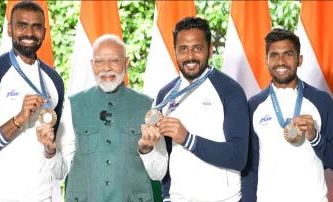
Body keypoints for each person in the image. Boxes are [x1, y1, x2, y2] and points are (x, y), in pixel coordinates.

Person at [138, 17, 249, 202]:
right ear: (174, 52)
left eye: (197, 48)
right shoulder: (165, 95)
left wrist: (188, 139)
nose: (190, 56)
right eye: (183, 49)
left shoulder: (230, 90)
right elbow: (159, 173)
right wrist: (147, 150)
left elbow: (238, 157)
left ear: (210, 50)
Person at [0, 1, 64, 201]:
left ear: (44, 31)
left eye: (36, 26)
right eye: (22, 25)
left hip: (41, 196)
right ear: (9, 29)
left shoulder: (54, 80)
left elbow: (55, 143)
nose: (29, 33)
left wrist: (51, 148)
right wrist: (19, 119)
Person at [49, 34, 155, 202]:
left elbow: (159, 172)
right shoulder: (74, 105)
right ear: (92, 65)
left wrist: (147, 150)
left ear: (126, 63)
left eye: (114, 60)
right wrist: (50, 151)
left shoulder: (148, 107)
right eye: (99, 61)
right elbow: (60, 172)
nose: (106, 68)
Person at [241, 28, 333, 202]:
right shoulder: (254, 105)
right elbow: (250, 169)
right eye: (274, 55)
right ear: (266, 61)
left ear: (299, 60)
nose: (280, 61)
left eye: (288, 54)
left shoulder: (321, 101)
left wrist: (315, 138)